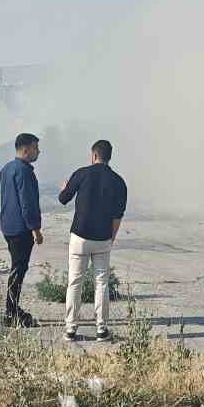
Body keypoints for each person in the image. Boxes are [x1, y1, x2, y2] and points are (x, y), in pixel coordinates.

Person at [57, 139, 127, 342]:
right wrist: (110, 239)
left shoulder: (82, 173)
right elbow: (118, 215)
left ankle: (70, 329)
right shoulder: (118, 181)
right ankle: (101, 329)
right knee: (101, 283)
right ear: (109, 157)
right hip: (103, 238)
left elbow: (63, 198)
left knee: (75, 282)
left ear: (94, 155)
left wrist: (65, 187)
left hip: (79, 236)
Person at [0, 132, 43, 328]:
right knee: (18, 270)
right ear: (25, 149)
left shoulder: (6, 169)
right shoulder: (24, 172)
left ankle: (13, 309)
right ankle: (11, 313)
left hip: (8, 225)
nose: (38, 152)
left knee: (17, 268)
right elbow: (27, 203)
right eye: (35, 148)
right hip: (20, 229)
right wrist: (35, 229)